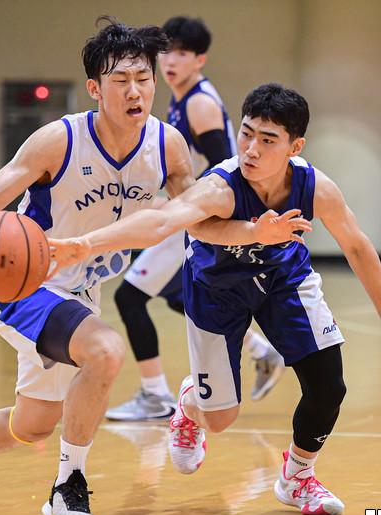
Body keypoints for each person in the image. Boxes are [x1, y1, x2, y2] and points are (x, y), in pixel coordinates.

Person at [0, 19, 300, 515]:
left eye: (144, 79)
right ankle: (69, 486)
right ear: (94, 88)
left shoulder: (167, 146)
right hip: (28, 285)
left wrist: (253, 232)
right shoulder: (60, 140)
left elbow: (199, 221)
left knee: (33, 423)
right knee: (105, 351)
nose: (135, 91)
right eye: (120, 80)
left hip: (82, 292)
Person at [48, 83, 381, 515]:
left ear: (295, 147)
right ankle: (190, 405)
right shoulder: (220, 187)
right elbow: (161, 221)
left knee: (329, 386)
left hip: (283, 280)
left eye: (268, 140)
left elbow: (356, 244)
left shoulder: (315, 187)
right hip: (216, 289)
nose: (251, 149)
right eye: (246, 134)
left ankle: (298, 477)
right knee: (221, 418)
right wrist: (86, 244)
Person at [107, 16, 284, 422]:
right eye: (167, 51)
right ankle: (261, 349)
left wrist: (187, 209)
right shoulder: (181, 98)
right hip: (188, 211)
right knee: (179, 296)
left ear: (199, 60)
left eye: (182, 53)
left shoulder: (199, 104)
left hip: (197, 216)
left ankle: (155, 395)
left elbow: (225, 168)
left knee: (129, 298)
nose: (171, 60)